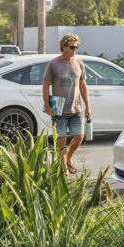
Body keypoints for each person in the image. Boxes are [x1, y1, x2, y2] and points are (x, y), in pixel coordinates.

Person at [40, 33, 93, 175]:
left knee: (79, 136)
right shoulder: (53, 64)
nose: (74, 49)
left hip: (76, 108)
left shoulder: (79, 63)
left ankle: (69, 159)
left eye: (76, 47)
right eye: (72, 47)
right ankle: (63, 170)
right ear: (63, 47)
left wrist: (87, 106)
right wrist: (48, 106)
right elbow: (45, 87)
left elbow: (83, 85)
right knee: (61, 142)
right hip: (59, 110)